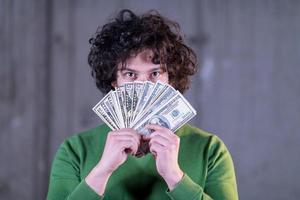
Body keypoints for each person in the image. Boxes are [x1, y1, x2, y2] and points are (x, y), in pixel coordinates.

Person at [47, 9, 238, 200]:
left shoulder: (210, 150)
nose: (143, 86)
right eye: (130, 74)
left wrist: (175, 177)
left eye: (155, 74)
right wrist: (102, 171)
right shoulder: (75, 150)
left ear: (170, 79)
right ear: (115, 81)